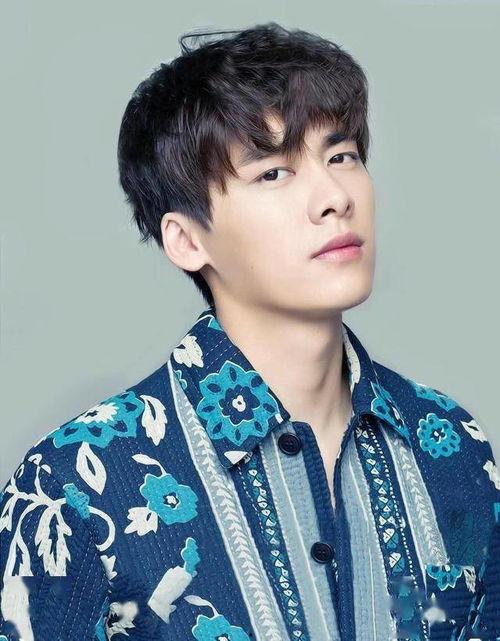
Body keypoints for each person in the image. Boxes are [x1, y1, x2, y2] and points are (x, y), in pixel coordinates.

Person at [1, 22, 499, 641]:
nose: (333, 197)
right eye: (273, 173)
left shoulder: (450, 444)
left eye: (341, 156)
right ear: (187, 240)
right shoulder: (74, 486)